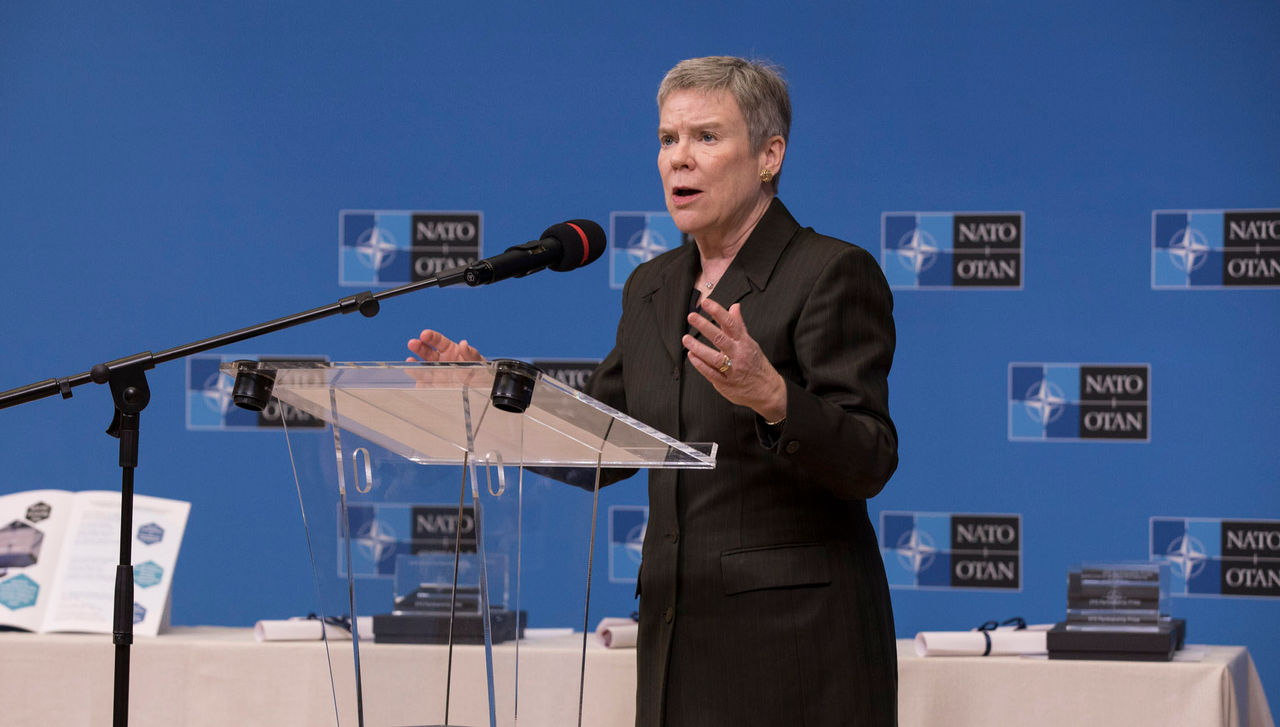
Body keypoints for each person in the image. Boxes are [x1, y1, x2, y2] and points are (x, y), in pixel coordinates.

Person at [409, 56, 899, 727]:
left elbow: (869, 456)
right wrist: (489, 394)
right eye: (668, 139)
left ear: (768, 155)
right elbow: (599, 440)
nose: (679, 160)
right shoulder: (654, 286)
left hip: (798, 649)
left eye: (706, 137)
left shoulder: (829, 272)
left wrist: (773, 396)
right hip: (677, 634)